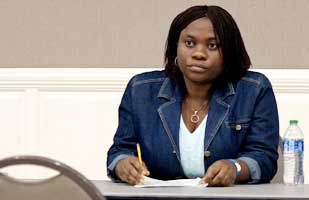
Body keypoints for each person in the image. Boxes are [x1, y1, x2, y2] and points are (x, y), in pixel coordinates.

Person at [107, 5, 279, 186]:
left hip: (228, 197)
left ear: (229, 51)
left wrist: (235, 167)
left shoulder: (254, 90)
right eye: (189, 43)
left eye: (212, 45)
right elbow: (120, 150)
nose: (198, 54)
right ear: (175, 48)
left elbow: (264, 158)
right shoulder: (140, 90)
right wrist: (123, 164)